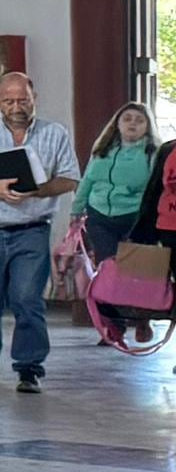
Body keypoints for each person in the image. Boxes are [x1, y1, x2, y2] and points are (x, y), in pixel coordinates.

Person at [0, 69, 78, 391]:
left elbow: (71, 179)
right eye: (9, 100)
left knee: (27, 300)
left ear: (35, 98)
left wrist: (38, 190)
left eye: (23, 100)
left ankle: (29, 368)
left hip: (32, 230)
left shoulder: (55, 133)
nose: (16, 106)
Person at [74, 105, 160, 315]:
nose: (132, 124)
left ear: (147, 127)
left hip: (134, 218)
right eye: (127, 119)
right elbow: (87, 181)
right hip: (100, 217)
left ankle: (142, 318)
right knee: (108, 271)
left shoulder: (153, 154)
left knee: (137, 272)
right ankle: (113, 323)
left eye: (139, 120)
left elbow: (157, 187)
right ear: (117, 125)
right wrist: (75, 210)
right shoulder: (102, 150)